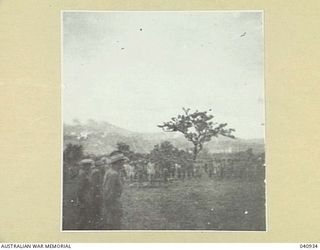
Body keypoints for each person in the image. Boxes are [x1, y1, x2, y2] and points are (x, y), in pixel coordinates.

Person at [101, 152, 128, 230]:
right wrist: (109, 203)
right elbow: (109, 190)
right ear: (117, 163)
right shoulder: (113, 174)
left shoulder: (110, 171)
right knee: (115, 222)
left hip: (112, 200)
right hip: (113, 201)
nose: (123, 164)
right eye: (122, 162)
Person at [76, 159, 94, 230]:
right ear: (85, 166)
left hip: (86, 196)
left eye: (89, 166)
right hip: (84, 197)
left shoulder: (84, 173)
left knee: (85, 214)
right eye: (88, 166)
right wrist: (81, 200)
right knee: (83, 214)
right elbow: (80, 188)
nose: (89, 168)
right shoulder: (82, 174)